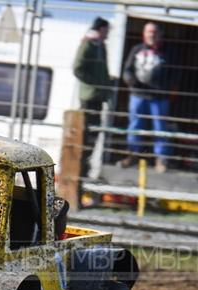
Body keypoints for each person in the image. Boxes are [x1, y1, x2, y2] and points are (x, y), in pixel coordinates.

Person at [120, 22, 176, 173]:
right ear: (144, 34)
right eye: (149, 32)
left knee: (160, 127)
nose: (151, 35)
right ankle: (132, 155)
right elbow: (127, 69)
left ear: (160, 34)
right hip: (138, 95)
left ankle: (161, 159)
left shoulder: (168, 52)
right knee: (135, 125)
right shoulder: (137, 49)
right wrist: (130, 79)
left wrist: (167, 88)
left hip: (159, 97)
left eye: (154, 32)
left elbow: (176, 73)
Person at [73, 17, 112, 177]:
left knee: (94, 134)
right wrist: (95, 83)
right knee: (85, 134)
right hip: (89, 97)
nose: (108, 33)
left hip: (98, 97)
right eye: (107, 29)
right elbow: (77, 68)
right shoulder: (88, 44)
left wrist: (107, 83)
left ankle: (86, 168)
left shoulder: (101, 46)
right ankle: (79, 168)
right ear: (101, 29)